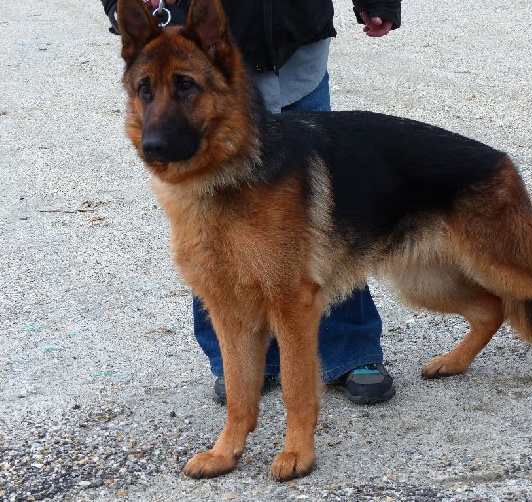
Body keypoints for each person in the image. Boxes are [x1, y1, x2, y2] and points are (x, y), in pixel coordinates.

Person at [101, 0, 401, 404]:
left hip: (293, 43)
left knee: (323, 218)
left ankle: (350, 348)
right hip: (197, 44)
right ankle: (244, 363)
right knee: (206, 224)